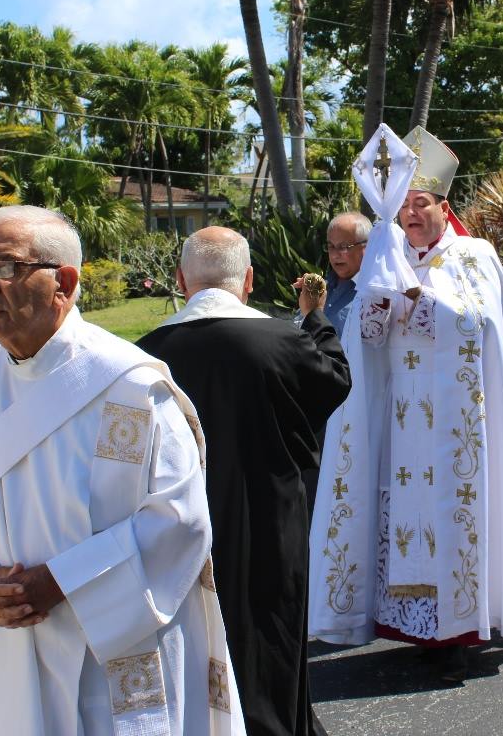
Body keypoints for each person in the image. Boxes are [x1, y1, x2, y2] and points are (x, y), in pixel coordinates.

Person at [0, 206, 244, 736]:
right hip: (10, 638)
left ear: (63, 282)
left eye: (5, 268)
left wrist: (63, 583)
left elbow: (179, 520)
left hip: (110, 640)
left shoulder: (131, 387)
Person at [308, 126, 503, 682]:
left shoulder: (473, 254)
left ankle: (457, 630)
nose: (412, 216)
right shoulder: (386, 254)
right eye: (404, 207)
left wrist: (419, 298)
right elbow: (364, 336)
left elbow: (479, 323)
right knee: (399, 512)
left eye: (421, 204)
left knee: (452, 513)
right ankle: (411, 624)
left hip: (458, 419)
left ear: (443, 206)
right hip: (400, 414)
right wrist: (380, 300)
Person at [137, 228, 351, 736]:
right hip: (268, 518)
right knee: (269, 630)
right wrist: (315, 318)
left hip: (179, 529)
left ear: (180, 279)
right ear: (249, 279)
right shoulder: (283, 341)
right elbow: (333, 380)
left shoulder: (146, 356)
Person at [320, 212, 370, 337]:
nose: (335, 255)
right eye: (331, 246)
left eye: (344, 246)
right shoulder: (322, 288)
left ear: (367, 247)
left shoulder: (375, 295)